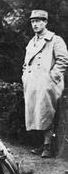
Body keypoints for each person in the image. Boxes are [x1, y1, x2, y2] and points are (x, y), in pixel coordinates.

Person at [22, 10, 68, 158]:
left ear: (45, 22)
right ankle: (42, 144)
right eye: (33, 21)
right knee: (36, 114)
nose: (35, 24)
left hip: (47, 84)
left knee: (46, 112)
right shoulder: (31, 41)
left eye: (38, 21)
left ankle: (48, 146)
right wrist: (25, 75)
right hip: (32, 83)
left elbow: (62, 60)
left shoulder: (55, 40)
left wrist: (51, 78)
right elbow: (26, 62)